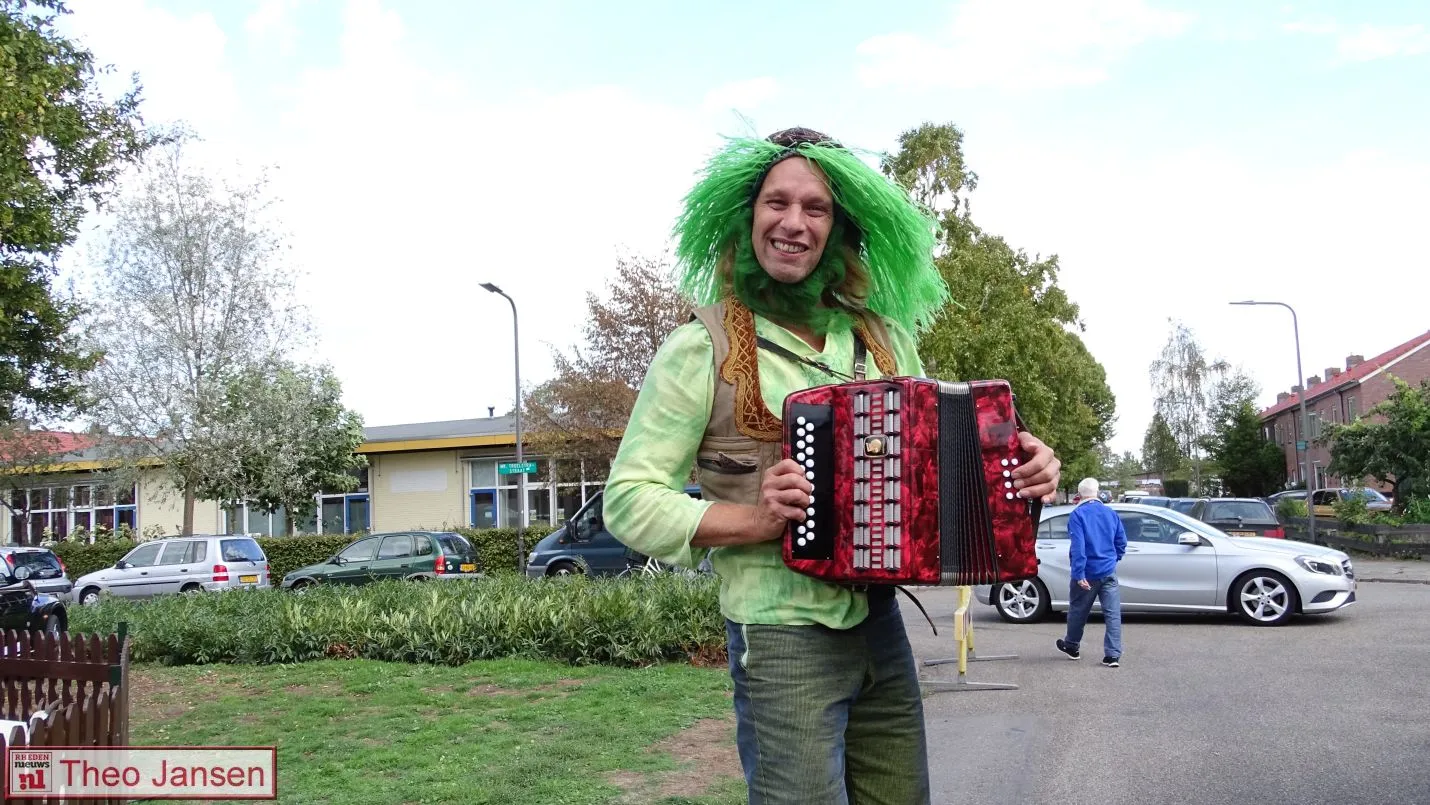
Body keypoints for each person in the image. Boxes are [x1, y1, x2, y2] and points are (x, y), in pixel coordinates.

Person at [603, 126, 1062, 805]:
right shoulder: (699, 346)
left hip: (880, 625)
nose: (793, 222)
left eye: (815, 208)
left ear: (837, 228)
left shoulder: (884, 337)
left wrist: (1021, 470)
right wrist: (757, 517)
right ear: (746, 216)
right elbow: (628, 500)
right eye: (776, 203)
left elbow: (936, 470)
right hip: (780, 630)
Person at [1056, 477, 1127, 667]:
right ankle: (1112, 655)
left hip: (1087, 573)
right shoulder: (1110, 513)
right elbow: (1121, 542)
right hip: (1108, 572)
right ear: (1097, 492)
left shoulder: (1078, 515)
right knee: (1112, 614)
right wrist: (1114, 559)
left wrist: (1079, 574)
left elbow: (1079, 548)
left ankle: (1072, 646)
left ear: (1079, 495)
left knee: (1078, 611)